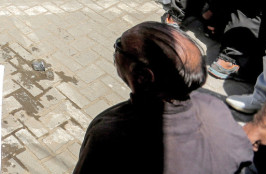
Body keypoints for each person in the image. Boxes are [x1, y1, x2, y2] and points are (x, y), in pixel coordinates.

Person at [73, 22, 253, 174]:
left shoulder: (110, 134)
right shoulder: (217, 110)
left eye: (119, 45)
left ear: (142, 76)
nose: (116, 48)